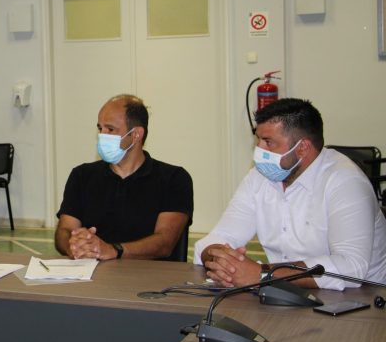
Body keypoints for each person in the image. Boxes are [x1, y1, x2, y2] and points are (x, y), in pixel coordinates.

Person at [195, 98, 386, 290]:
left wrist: (261, 273)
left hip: (364, 298)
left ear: (302, 148)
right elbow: (216, 239)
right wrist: (223, 263)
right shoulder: (259, 177)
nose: (258, 150)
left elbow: (350, 268)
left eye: (268, 142)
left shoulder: (345, 181)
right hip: (284, 292)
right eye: (258, 140)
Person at [55, 95, 193, 261]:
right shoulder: (82, 175)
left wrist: (114, 250)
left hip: (151, 273)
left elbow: (164, 243)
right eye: (100, 128)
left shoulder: (174, 179)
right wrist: (73, 246)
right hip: (94, 272)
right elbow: (64, 231)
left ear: (136, 135)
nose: (102, 135)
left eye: (110, 129)